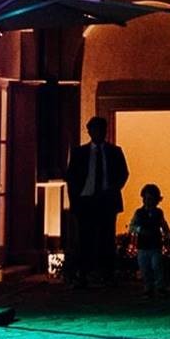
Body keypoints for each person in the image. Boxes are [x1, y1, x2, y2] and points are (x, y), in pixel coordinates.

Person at [64, 116, 130, 288]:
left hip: (106, 200)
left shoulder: (114, 151)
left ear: (105, 131)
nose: (98, 133)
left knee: (106, 239)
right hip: (86, 200)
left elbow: (123, 173)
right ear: (89, 132)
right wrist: (76, 200)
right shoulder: (79, 153)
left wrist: (113, 188)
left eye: (101, 130)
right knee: (85, 238)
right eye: (95, 130)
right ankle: (84, 274)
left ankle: (106, 274)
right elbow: (71, 177)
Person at [129, 183, 170, 297]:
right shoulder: (139, 213)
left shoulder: (158, 213)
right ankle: (148, 288)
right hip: (142, 246)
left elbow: (163, 224)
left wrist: (167, 234)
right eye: (147, 199)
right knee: (145, 268)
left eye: (151, 199)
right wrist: (140, 230)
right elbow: (132, 226)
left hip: (155, 245)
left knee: (157, 266)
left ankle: (159, 287)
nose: (148, 202)